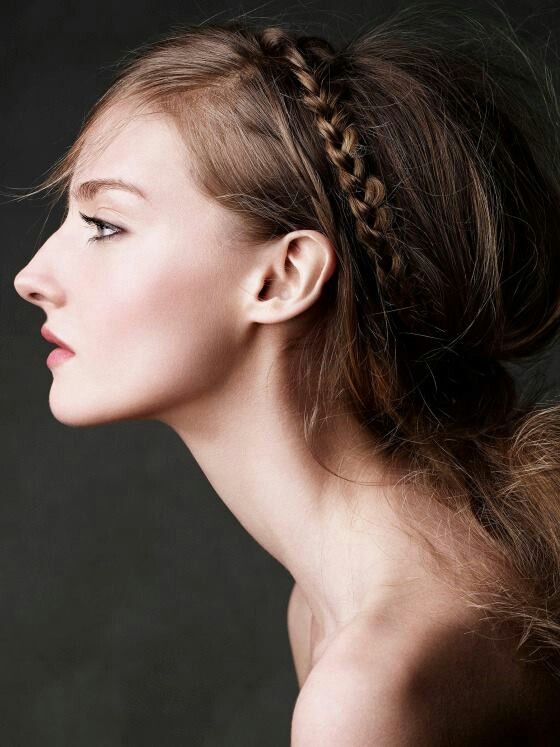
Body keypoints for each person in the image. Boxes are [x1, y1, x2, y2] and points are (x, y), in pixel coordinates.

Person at [12, 1, 560, 742]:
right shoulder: (332, 601)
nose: (32, 275)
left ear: (283, 277)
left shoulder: (373, 688)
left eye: (106, 225)